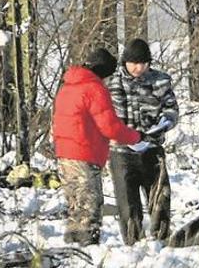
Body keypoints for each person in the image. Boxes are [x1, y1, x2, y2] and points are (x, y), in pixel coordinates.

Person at [52, 48, 143, 246]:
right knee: (89, 210)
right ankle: (87, 253)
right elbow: (110, 127)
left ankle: (73, 252)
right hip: (84, 155)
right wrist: (136, 137)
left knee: (76, 209)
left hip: (64, 156)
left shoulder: (67, 86)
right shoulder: (93, 88)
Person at [108, 38, 179, 245]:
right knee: (128, 202)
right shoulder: (113, 83)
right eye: (134, 63)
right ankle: (133, 243)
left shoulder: (160, 81)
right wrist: (125, 136)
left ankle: (162, 239)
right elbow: (109, 117)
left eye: (143, 63)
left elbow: (171, 109)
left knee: (160, 197)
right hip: (121, 151)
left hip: (152, 148)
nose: (138, 68)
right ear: (125, 62)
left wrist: (165, 122)